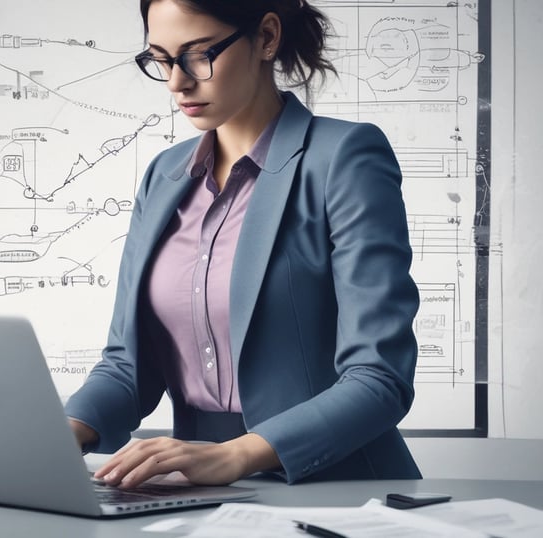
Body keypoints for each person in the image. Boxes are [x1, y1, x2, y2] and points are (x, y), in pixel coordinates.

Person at [66, 0, 422, 488]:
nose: (177, 82)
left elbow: (379, 379)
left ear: (267, 38)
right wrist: (60, 433)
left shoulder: (344, 158)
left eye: (197, 54)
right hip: (198, 487)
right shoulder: (164, 176)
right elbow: (129, 366)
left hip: (339, 485)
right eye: (161, 59)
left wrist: (236, 456)